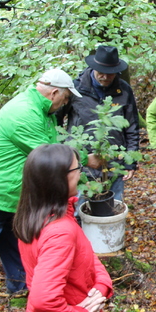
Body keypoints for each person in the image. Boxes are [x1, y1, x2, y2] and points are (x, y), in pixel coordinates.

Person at [0, 69, 92, 312]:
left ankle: (19, 289)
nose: (64, 104)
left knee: (17, 245)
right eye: (64, 99)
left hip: (14, 197)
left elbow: (57, 143)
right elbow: (51, 157)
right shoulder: (24, 114)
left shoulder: (42, 113)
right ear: (54, 92)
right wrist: (88, 161)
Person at [14, 144, 147, 312]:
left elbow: (87, 257)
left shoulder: (38, 215)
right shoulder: (59, 231)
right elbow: (44, 299)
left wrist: (101, 285)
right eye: (78, 168)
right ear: (63, 178)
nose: (82, 173)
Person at [60, 45, 140, 203]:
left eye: (109, 73)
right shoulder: (76, 89)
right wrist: (64, 155)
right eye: (100, 72)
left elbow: (132, 126)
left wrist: (130, 161)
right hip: (81, 162)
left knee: (112, 206)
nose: (105, 77)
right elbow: (55, 120)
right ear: (93, 68)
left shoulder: (124, 90)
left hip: (113, 161)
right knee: (79, 209)